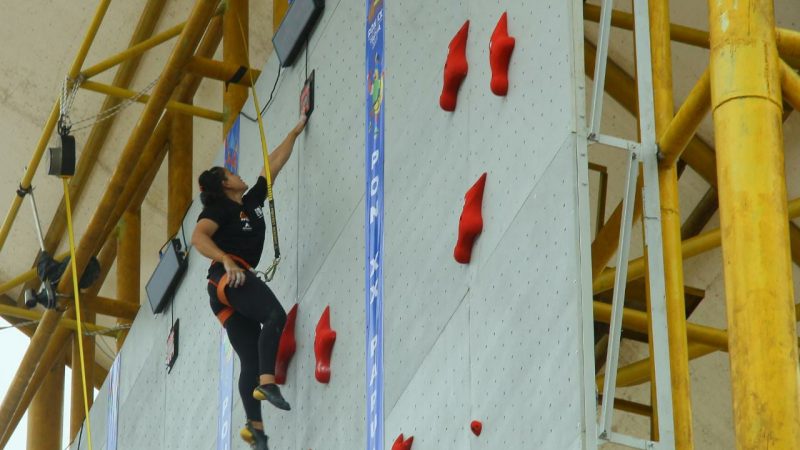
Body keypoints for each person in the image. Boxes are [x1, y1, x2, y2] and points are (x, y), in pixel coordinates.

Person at [192, 116, 307, 450]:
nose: (237, 173)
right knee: (275, 316)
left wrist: (294, 131)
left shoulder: (251, 201)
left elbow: (271, 167)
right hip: (227, 275)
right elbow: (199, 238)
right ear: (225, 184)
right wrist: (226, 260)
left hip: (224, 288)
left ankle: (255, 427)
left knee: (250, 357)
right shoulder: (220, 208)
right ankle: (267, 384)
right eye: (231, 174)